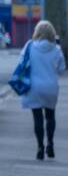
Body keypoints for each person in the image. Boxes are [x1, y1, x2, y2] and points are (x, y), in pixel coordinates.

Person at [20, 20, 66, 160]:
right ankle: (50, 144)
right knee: (50, 116)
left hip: (34, 87)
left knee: (38, 118)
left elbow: (21, 63)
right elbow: (61, 69)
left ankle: (40, 147)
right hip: (51, 87)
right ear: (52, 33)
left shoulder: (30, 46)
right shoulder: (56, 49)